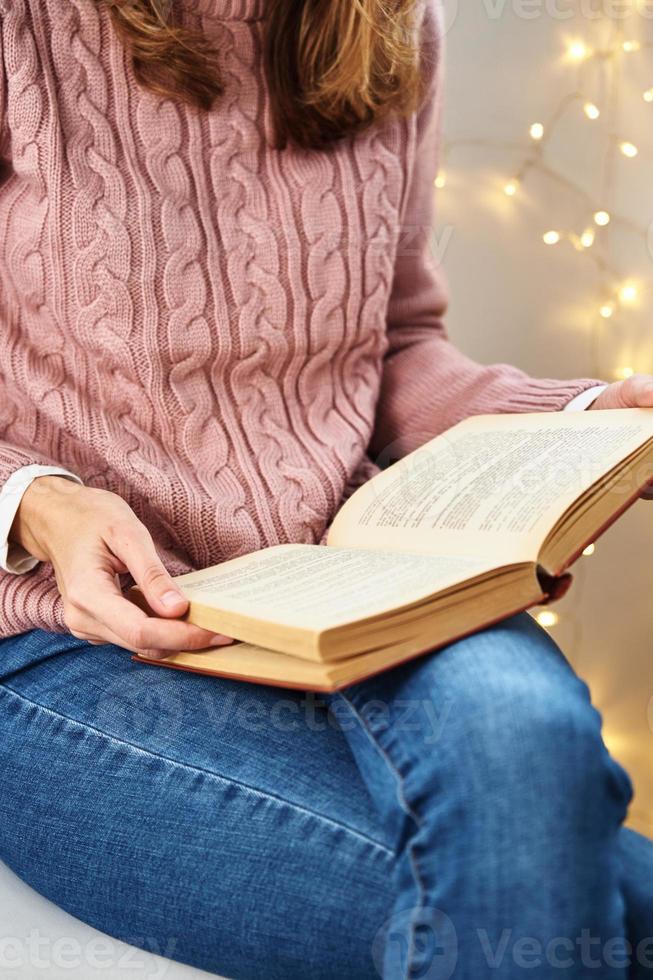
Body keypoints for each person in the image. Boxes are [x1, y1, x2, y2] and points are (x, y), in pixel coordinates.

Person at [0, 0, 651, 976]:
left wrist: (585, 416)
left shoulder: (388, 22)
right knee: (588, 914)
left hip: (351, 579)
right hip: (76, 640)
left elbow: (390, 344)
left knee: (534, 744)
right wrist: (39, 500)